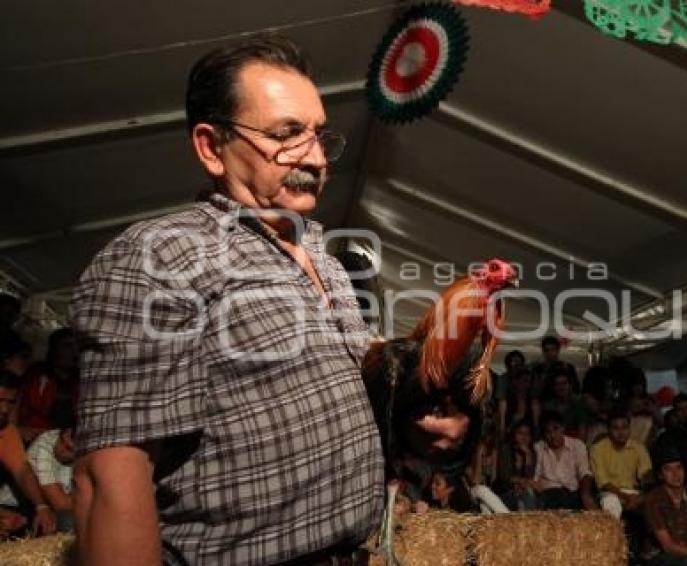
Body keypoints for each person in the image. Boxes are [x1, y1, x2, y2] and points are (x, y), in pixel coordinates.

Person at [71, 35, 469, 566]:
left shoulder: (324, 258)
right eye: (285, 135)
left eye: (317, 134)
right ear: (212, 147)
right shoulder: (161, 256)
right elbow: (110, 478)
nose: (313, 156)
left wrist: (418, 432)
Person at [0, 371, 56, 538]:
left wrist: (41, 506)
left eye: (10, 402)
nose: (4, 409)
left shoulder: (6, 431)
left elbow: (22, 470)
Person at [16, 328, 78, 443]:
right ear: (54, 350)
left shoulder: (81, 381)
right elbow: (17, 406)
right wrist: (17, 430)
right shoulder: (34, 376)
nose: (74, 351)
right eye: (67, 346)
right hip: (34, 438)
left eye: (77, 346)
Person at [590, 410, 652, 519]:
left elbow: (646, 476)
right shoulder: (598, 449)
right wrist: (627, 497)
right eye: (616, 428)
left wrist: (640, 497)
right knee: (612, 504)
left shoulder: (638, 447)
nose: (621, 432)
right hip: (610, 492)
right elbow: (603, 483)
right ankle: (613, 535)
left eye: (624, 427)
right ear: (608, 430)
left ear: (629, 429)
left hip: (633, 492)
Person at [532, 412, 596, 511]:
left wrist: (585, 495)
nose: (552, 435)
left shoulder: (577, 445)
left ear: (563, 428)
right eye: (548, 432)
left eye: (556, 429)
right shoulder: (538, 448)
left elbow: (585, 473)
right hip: (548, 496)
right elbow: (535, 478)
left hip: (572, 494)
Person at [497, 420, 537, 510]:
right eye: (520, 433)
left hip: (524, 490)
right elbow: (504, 477)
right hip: (506, 491)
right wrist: (524, 482)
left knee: (527, 493)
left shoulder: (531, 453)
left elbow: (530, 476)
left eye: (527, 434)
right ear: (513, 435)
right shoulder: (505, 450)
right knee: (525, 494)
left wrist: (527, 456)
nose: (524, 437)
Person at [540, 366, 588, 440]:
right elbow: (546, 431)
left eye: (564, 383)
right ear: (553, 387)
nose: (561, 387)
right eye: (557, 384)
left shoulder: (579, 403)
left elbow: (582, 431)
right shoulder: (548, 406)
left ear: (570, 385)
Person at [495, 350, 525, 438]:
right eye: (514, 361)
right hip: (510, 411)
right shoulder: (504, 379)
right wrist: (502, 425)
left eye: (518, 362)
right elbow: (502, 402)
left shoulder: (525, 377)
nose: (516, 365)